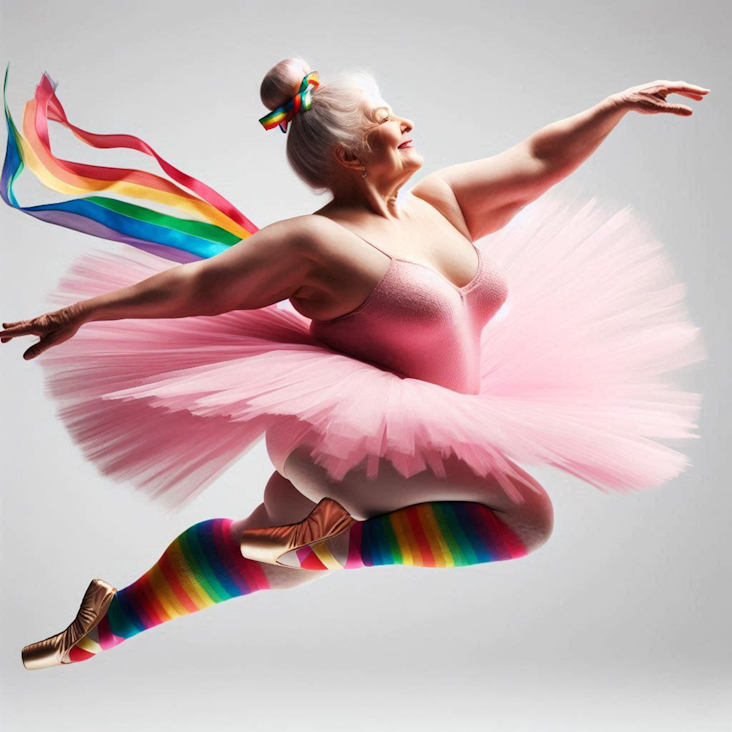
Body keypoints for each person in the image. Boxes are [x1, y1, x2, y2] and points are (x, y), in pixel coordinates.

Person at [0, 58, 708, 670]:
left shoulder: (441, 203)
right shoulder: (316, 243)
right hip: (342, 440)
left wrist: (613, 107)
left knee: (256, 560)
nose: (404, 124)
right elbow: (196, 288)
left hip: (417, 439)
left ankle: (99, 628)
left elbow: (535, 160)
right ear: (346, 156)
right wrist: (81, 313)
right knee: (525, 518)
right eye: (383, 118)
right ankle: (325, 546)